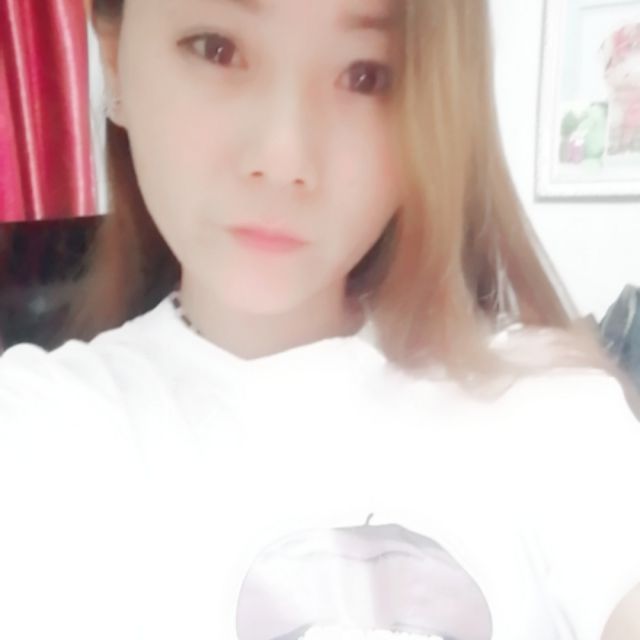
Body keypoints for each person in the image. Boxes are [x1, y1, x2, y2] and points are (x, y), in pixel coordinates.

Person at [0, 1, 639, 639]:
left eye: (366, 75)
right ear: (114, 60)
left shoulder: (551, 414)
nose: (284, 160)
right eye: (217, 48)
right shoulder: (37, 432)